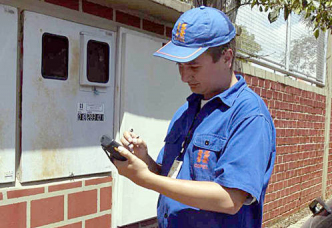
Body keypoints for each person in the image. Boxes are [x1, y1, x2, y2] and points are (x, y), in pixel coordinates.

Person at [113, 6, 276, 228]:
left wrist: (146, 179)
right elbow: (170, 176)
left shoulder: (249, 114)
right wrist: (146, 161)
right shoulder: (187, 110)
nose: (184, 76)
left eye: (194, 66)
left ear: (227, 57)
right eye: (180, 66)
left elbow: (230, 199)